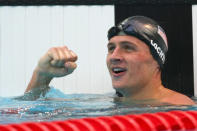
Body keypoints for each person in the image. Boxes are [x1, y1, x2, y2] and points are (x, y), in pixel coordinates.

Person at [25, 16, 195, 105]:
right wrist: (42, 75)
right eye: (111, 48)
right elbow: (25, 115)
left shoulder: (181, 109)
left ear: (156, 61)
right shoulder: (103, 103)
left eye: (128, 47)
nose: (114, 56)